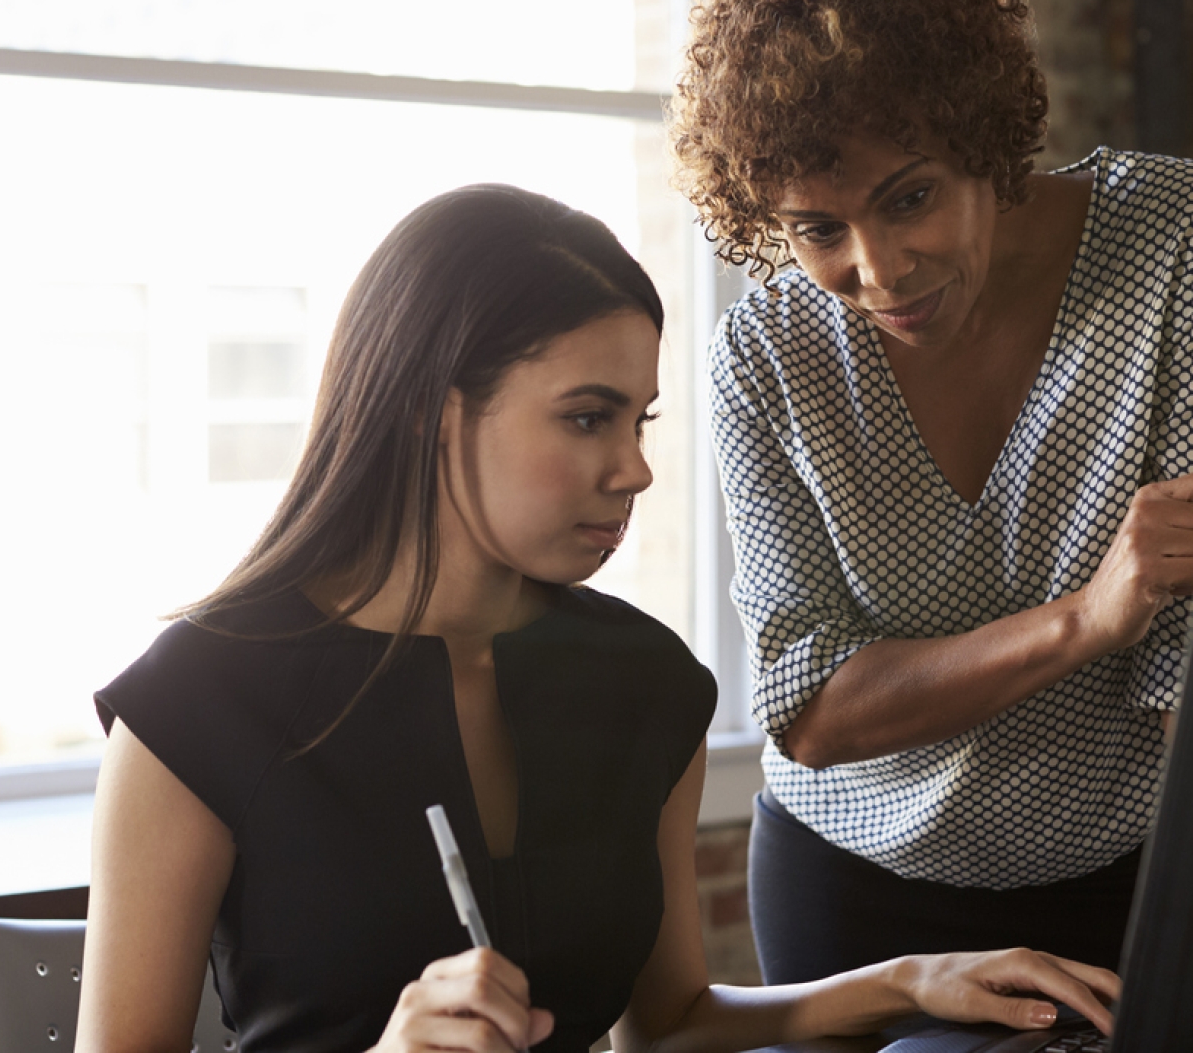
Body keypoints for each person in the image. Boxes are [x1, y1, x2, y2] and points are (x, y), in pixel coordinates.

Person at [75, 183, 1118, 1053]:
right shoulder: (196, 707)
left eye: (638, 420)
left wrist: (911, 981)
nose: (635, 469)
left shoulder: (647, 684)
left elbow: (666, 1024)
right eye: (586, 418)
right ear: (430, 412)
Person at [668, 0, 1193, 988]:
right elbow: (808, 705)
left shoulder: (1170, 249)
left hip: (1126, 878)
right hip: (849, 892)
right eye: (819, 229)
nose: (882, 270)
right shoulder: (765, 354)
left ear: (983, 141)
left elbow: (1180, 666)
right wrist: (1089, 618)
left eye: (911, 198)